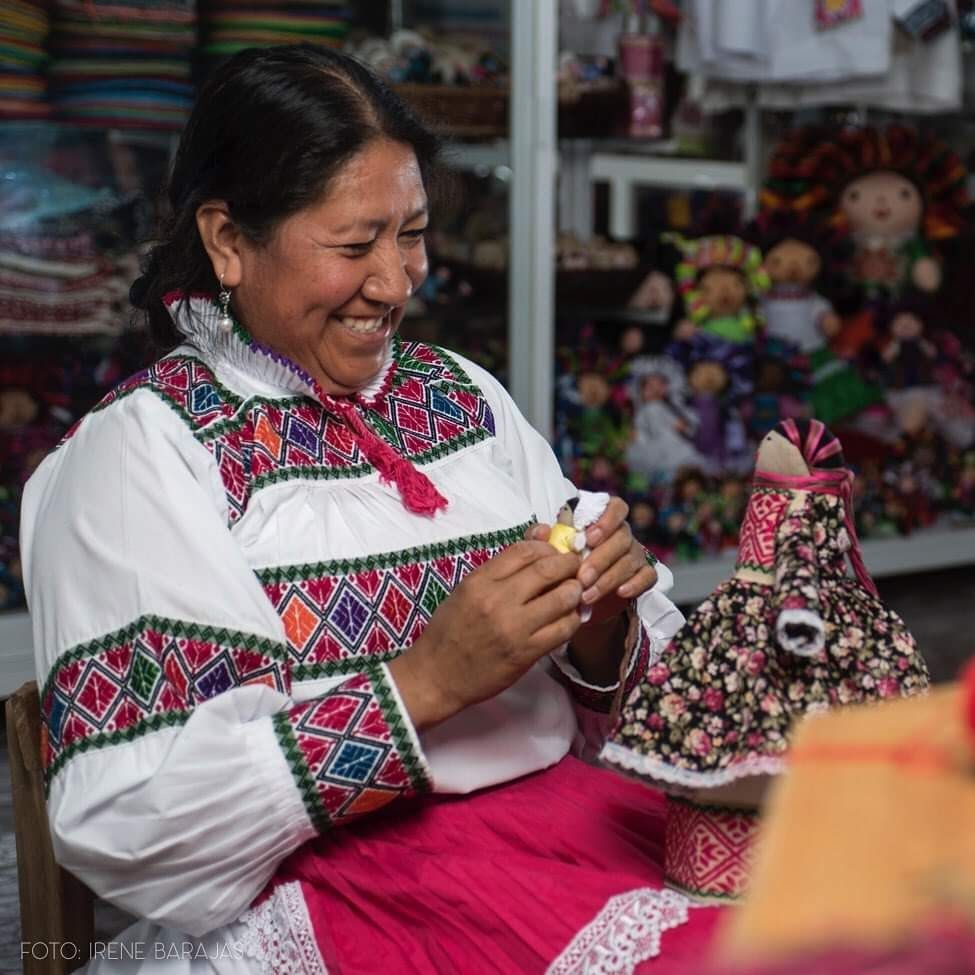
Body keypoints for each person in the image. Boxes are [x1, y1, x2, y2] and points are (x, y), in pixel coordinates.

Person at [21, 45, 722, 974]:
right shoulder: (142, 455)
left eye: (412, 234)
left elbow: (649, 707)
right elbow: (132, 818)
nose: (396, 282)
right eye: (354, 245)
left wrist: (600, 638)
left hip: (554, 830)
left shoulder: (457, 396)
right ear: (229, 241)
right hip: (342, 890)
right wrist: (422, 686)